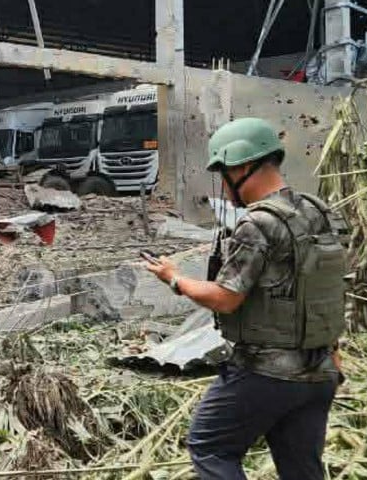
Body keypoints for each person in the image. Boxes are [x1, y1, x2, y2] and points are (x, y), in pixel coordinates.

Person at [147, 117, 346, 480]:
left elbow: (225, 298)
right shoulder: (317, 211)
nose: (223, 185)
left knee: (210, 446)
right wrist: (332, 349)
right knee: (302, 470)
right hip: (321, 372)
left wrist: (173, 277)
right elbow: (323, 288)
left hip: (267, 372)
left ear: (241, 166)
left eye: (223, 173)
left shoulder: (258, 224)